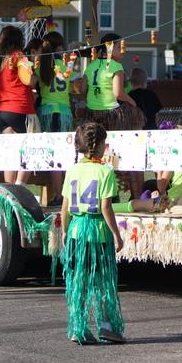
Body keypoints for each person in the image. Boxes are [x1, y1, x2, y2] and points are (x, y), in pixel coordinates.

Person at [61, 122, 126, 344]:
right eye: (105, 143)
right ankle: (106, 325)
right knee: (102, 281)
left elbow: (65, 206)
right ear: (98, 146)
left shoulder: (72, 170)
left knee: (79, 281)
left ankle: (77, 327)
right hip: (97, 234)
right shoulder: (105, 172)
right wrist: (116, 234)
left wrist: (64, 231)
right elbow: (106, 207)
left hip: (76, 232)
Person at [80, 33, 145, 197]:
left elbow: (82, 89)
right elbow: (118, 93)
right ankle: (133, 193)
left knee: (96, 154)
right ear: (110, 48)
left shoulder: (91, 65)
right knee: (123, 153)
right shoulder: (116, 67)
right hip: (113, 116)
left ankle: (100, 192)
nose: (122, 51)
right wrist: (133, 102)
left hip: (92, 115)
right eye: (119, 47)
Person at [0, 25, 38, 185]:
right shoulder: (20, 56)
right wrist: (36, 78)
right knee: (30, 150)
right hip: (21, 109)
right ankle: (19, 188)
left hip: (2, 112)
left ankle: (10, 192)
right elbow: (29, 80)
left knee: (10, 153)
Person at [37, 31, 73, 204]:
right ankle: (65, 194)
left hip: (47, 112)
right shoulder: (65, 66)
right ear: (59, 48)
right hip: (64, 112)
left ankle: (58, 195)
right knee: (64, 154)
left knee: (54, 155)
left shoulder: (41, 65)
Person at [142, 114, 182, 204]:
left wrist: (159, 171)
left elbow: (161, 188)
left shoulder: (174, 156)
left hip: (176, 200)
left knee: (148, 194)